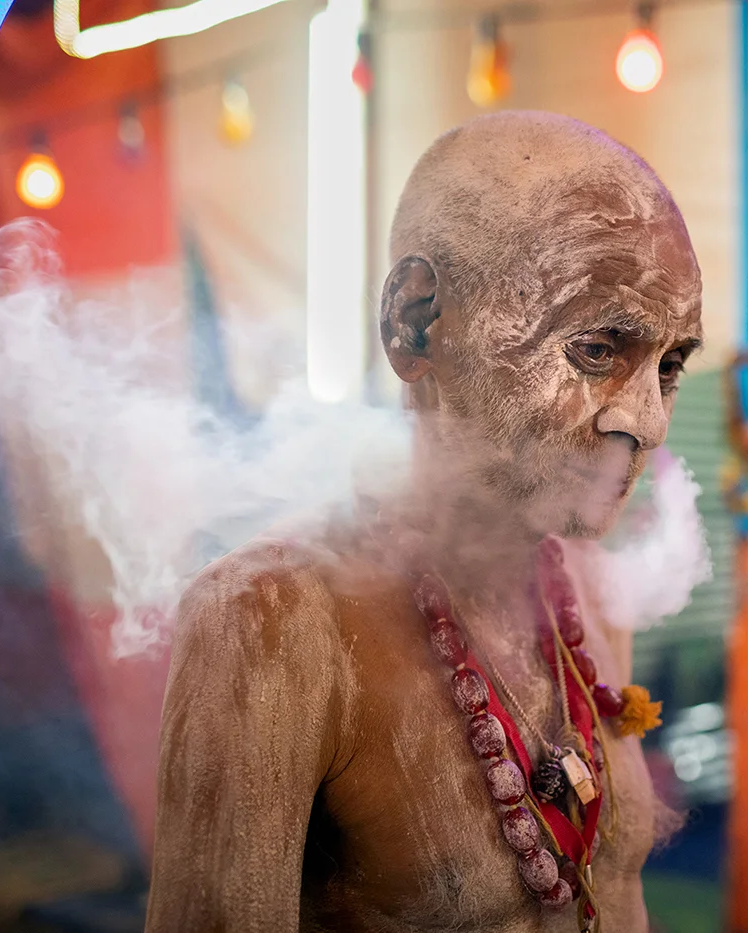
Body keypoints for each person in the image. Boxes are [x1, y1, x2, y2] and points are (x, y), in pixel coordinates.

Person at [145, 111, 704, 932]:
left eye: (671, 364)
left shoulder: (584, 588)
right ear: (414, 324)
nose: (648, 420)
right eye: (596, 349)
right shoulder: (268, 623)